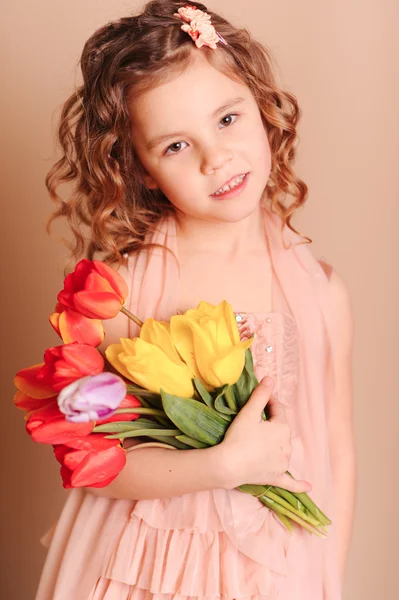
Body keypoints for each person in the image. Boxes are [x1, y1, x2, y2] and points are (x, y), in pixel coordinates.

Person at [35, 1, 357, 599]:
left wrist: (327, 576)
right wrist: (221, 468)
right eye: (176, 146)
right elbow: (93, 463)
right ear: (143, 169)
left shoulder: (320, 292)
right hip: (144, 569)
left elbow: (336, 450)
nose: (216, 158)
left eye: (228, 120)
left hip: (273, 572)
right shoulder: (121, 293)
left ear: (261, 108)